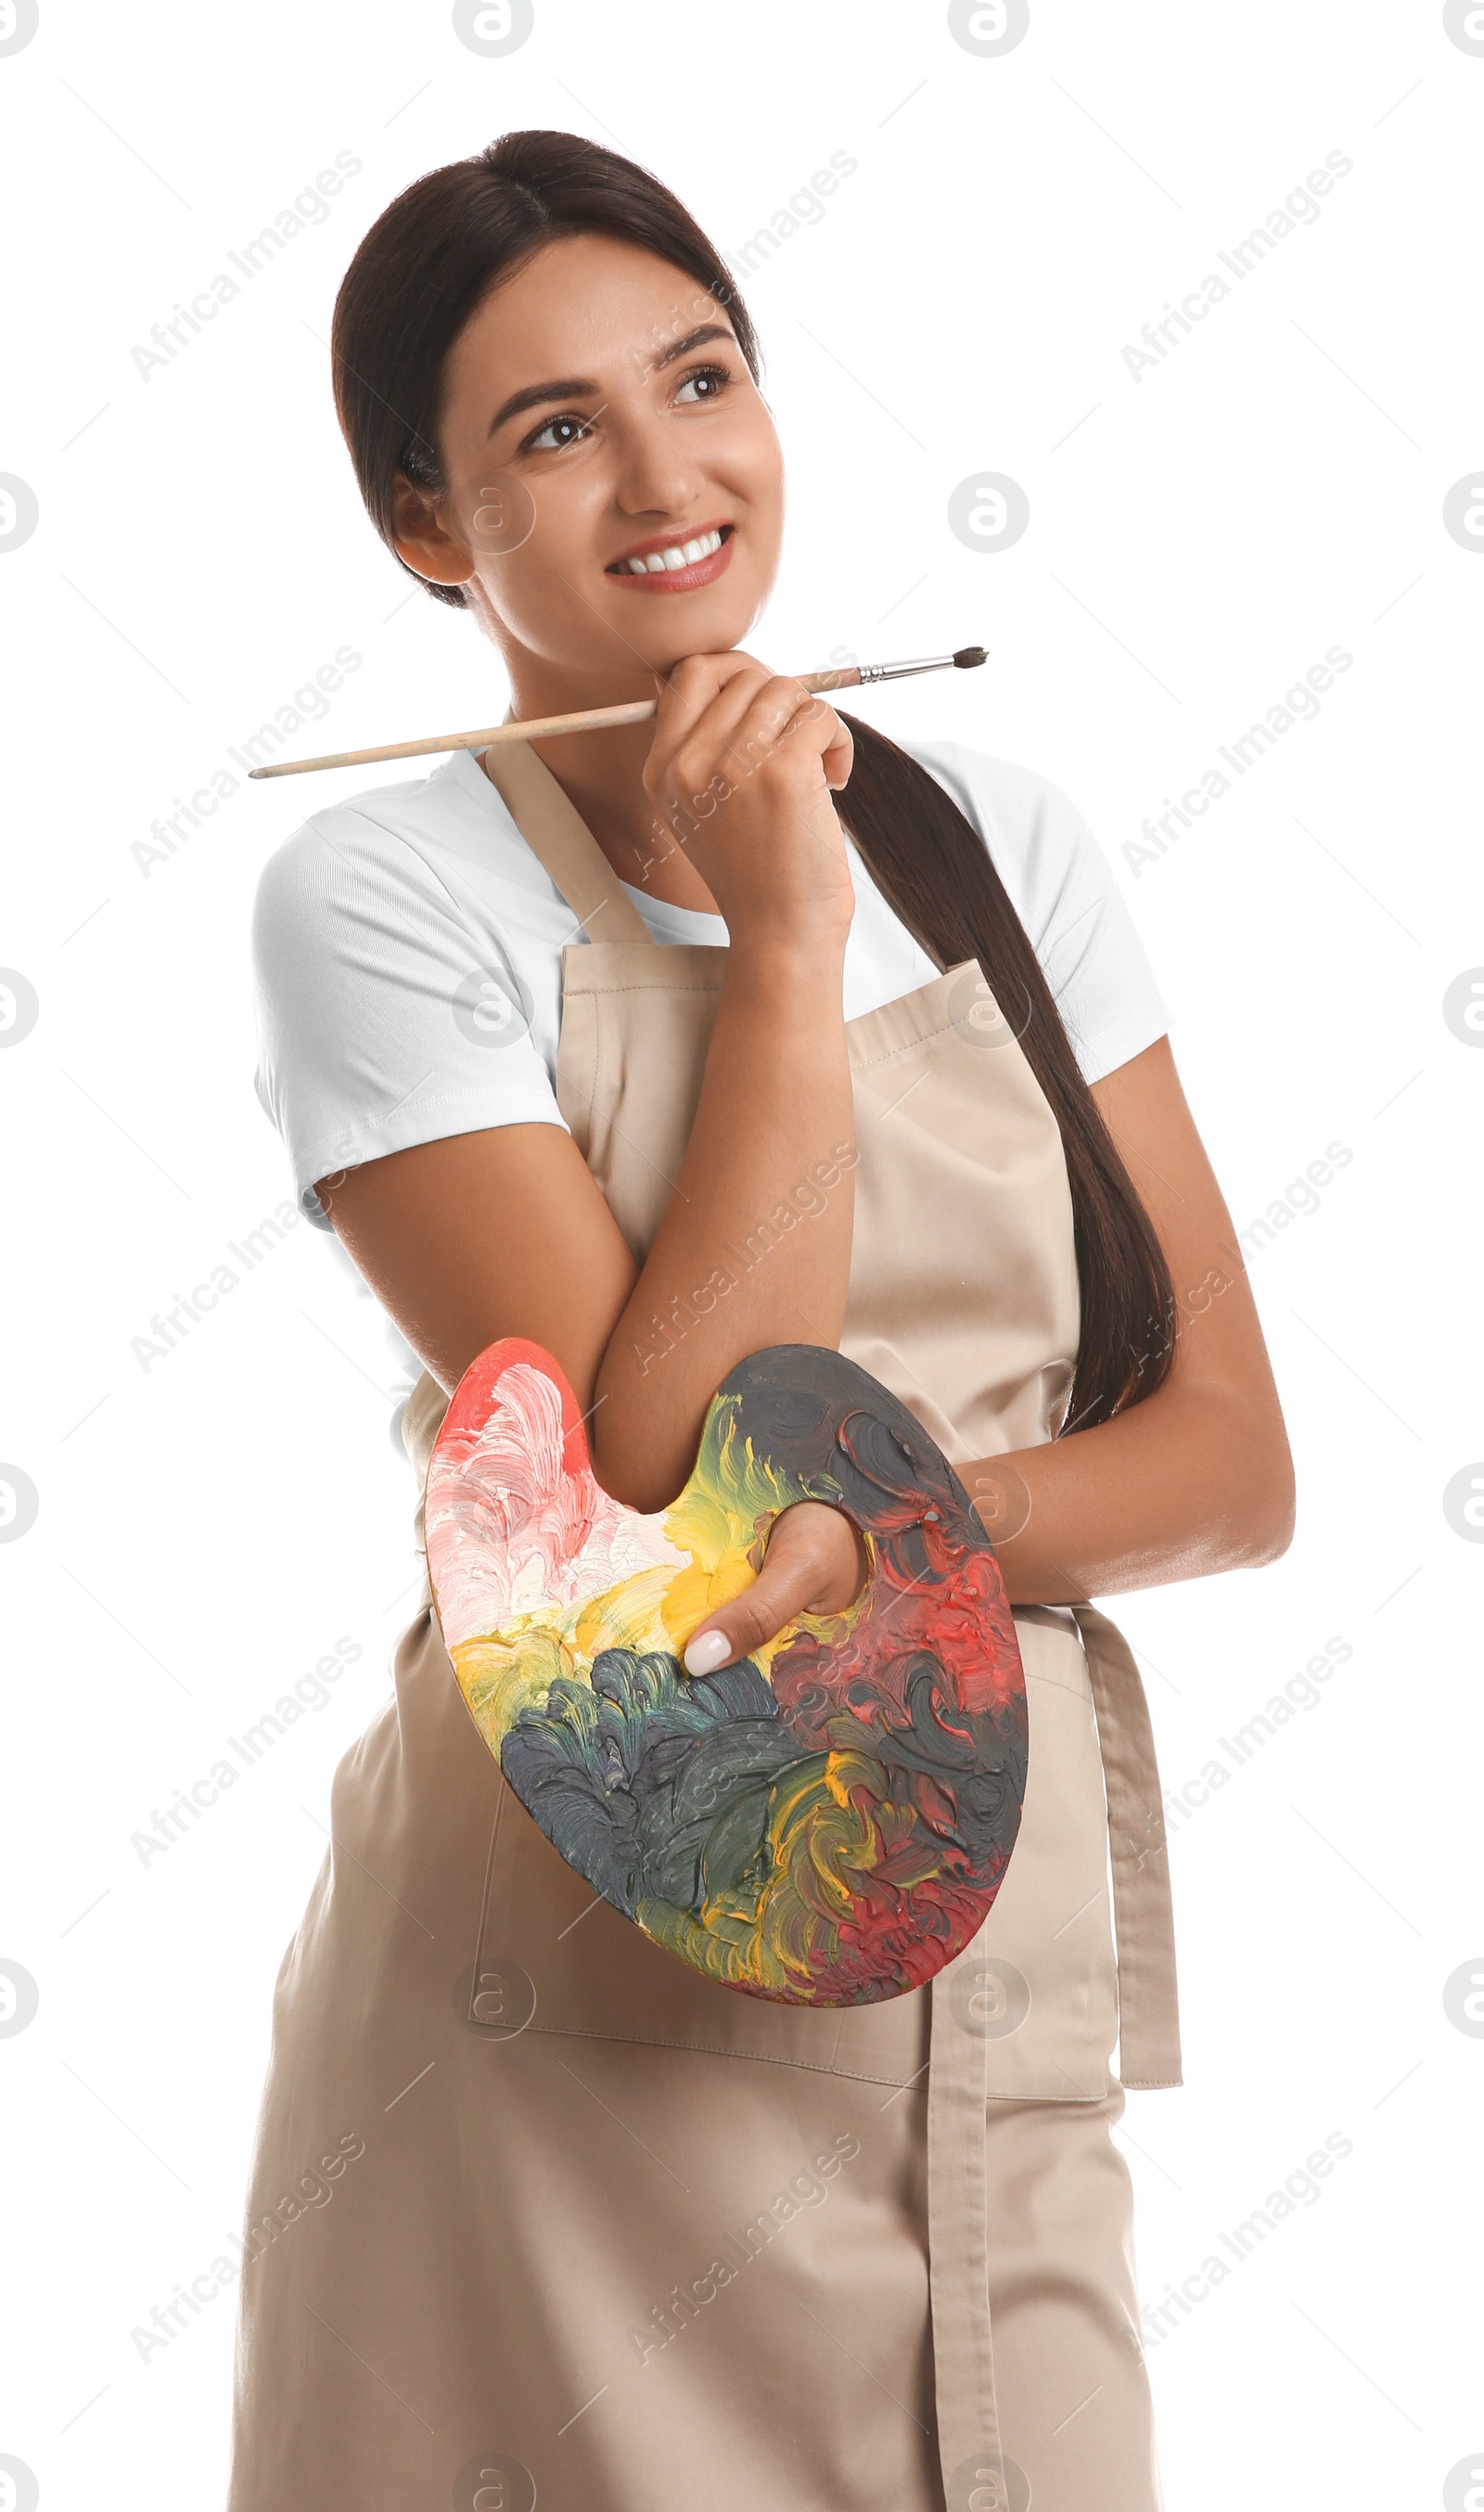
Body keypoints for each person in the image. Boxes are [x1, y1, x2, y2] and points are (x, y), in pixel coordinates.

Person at [232, 127, 1294, 2512]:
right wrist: (782, 946)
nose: (662, 469)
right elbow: (659, 1485)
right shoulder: (378, 899)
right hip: (562, 1984)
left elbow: (1228, 1462)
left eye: (699, 376)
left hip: (978, 1942)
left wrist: (911, 1532)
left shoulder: (998, 838)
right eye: (549, 429)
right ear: (428, 533)